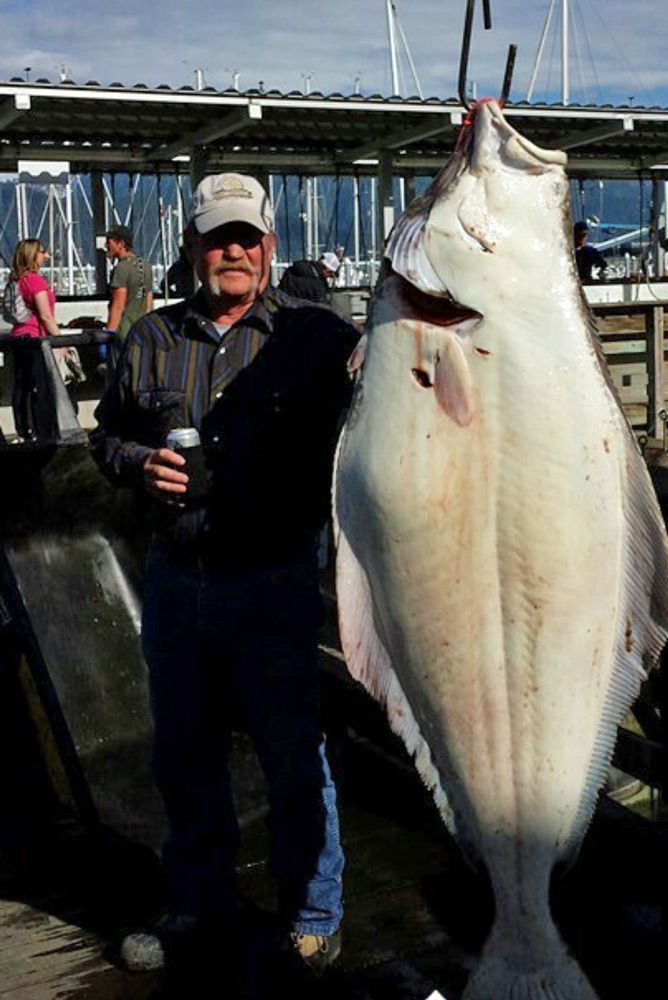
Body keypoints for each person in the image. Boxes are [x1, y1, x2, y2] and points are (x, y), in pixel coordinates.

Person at [90, 173, 358, 976]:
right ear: (193, 248)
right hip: (177, 579)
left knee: (292, 754)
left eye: (246, 237)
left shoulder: (317, 335)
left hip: (274, 580)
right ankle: (196, 899)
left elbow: (402, 394)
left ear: (270, 247)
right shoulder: (153, 337)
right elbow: (107, 435)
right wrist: (139, 464)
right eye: (218, 239)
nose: (233, 251)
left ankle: (315, 909)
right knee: (184, 752)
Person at [5, 239, 66, 441]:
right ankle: (43, 431)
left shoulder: (15, 280)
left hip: (17, 337)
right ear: (33, 255)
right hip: (34, 338)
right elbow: (46, 316)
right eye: (42, 252)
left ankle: (24, 429)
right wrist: (61, 341)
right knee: (41, 386)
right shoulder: (35, 281)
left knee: (22, 386)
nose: (45, 255)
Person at [100, 224, 154, 351]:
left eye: (109, 242)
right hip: (142, 332)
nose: (106, 246)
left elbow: (118, 306)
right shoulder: (146, 266)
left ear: (121, 243)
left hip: (124, 334)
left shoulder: (121, 268)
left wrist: (109, 336)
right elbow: (148, 302)